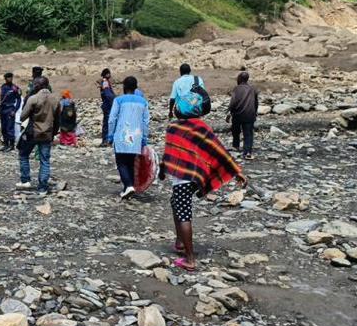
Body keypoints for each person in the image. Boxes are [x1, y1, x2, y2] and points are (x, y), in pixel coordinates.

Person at [160, 107, 247, 271]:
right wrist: (236, 171)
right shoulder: (202, 127)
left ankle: (190, 259)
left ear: (179, 111)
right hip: (195, 176)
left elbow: (170, 150)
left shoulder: (173, 127)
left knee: (183, 212)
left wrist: (163, 169)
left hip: (182, 178)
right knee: (175, 203)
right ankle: (179, 242)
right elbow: (218, 150)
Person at [107, 76, 150, 199]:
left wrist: (110, 135)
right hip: (136, 137)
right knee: (131, 163)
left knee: (121, 162)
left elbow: (112, 119)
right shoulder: (143, 102)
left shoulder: (119, 100)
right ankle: (128, 189)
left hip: (122, 135)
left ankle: (129, 185)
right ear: (136, 87)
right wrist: (144, 138)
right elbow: (146, 121)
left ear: (124, 87)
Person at [16, 77, 60, 193]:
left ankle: (25, 180)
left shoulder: (33, 98)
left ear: (37, 86)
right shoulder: (55, 100)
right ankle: (43, 187)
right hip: (47, 134)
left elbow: (22, 117)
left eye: (34, 84)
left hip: (32, 132)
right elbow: (57, 120)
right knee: (45, 160)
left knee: (23, 154)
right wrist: (53, 133)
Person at [228, 71, 259, 159]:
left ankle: (236, 146)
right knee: (248, 134)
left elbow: (233, 102)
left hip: (238, 114)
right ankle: (247, 152)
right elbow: (256, 103)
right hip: (249, 114)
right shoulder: (253, 89)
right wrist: (255, 112)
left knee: (235, 130)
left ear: (240, 79)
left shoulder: (237, 89)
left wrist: (229, 112)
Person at [0, 72, 21, 151]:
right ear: (5, 78)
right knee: (3, 128)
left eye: (11, 77)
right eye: (8, 77)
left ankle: (11, 145)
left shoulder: (15, 88)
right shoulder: (3, 87)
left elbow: (19, 100)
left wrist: (15, 110)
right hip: (3, 109)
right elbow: (1, 99)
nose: (9, 79)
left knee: (10, 128)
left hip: (10, 109)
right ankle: (6, 144)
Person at [98, 68, 115, 146]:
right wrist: (114, 100)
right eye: (108, 73)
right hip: (108, 104)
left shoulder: (106, 82)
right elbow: (108, 94)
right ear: (105, 74)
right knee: (107, 122)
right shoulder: (105, 82)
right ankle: (106, 140)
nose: (110, 75)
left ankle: (106, 140)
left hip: (107, 104)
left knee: (107, 122)